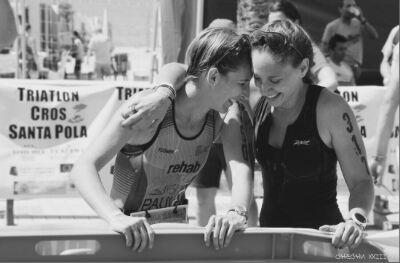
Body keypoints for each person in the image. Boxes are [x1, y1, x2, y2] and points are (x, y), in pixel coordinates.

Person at [71, 27, 254, 252]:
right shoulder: (149, 110)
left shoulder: (224, 115)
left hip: (171, 240)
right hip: (128, 240)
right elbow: (83, 167)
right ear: (213, 76)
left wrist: (236, 212)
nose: (246, 93)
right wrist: (115, 217)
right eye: (242, 83)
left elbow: (240, 169)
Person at [251, 20, 374, 249]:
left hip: (324, 244)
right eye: (258, 78)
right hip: (271, 243)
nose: (264, 89)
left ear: (303, 68)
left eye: (275, 80)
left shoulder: (331, 109)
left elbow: (362, 182)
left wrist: (356, 220)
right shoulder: (255, 102)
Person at [267, 0, 338, 92]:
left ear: (295, 23)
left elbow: (330, 81)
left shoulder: (306, 48)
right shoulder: (263, 50)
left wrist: (303, 100)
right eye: (270, 25)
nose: (273, 30)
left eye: (278, 23)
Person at [321, 0, 378, 81]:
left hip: (356, 66)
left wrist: (362, 19)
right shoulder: (332, 26)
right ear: (340, 9)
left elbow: (374, 36)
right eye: (348, 6)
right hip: (340, 65)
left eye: (354, 6)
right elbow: (323, 49)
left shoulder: (358, 23)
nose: (351, 8)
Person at [370, 43, 399, 182]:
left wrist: (378, 157)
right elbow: (385, 62)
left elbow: (389, 102)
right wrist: (389, 76)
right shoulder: (396, 33)